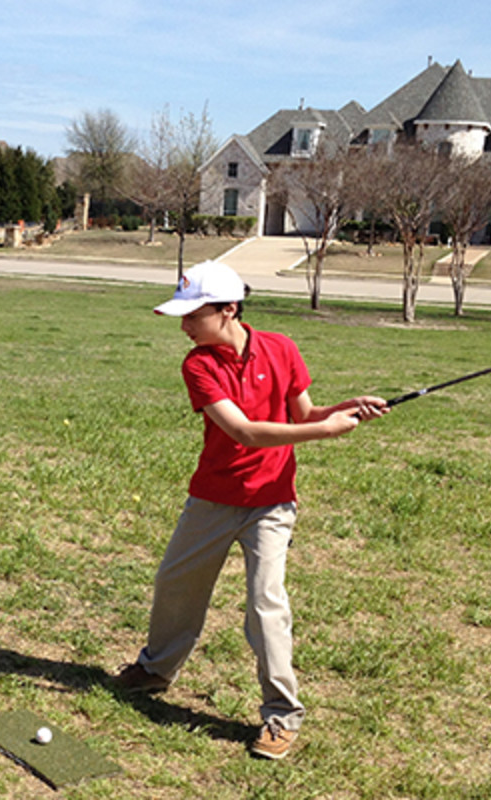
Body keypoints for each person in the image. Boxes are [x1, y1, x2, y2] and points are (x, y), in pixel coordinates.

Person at [112, 261, 387, 760]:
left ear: (228, 309)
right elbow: (246, 432)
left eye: (193, 314)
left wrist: (344, 407)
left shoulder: (281, 348)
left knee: (266, 605)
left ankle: (281, 717)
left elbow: (303, 414)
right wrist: (322, 433)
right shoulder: (198, 364)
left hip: (271, 503)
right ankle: (156, 670)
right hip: (213, 498)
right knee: (176, 583)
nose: (184, 325)